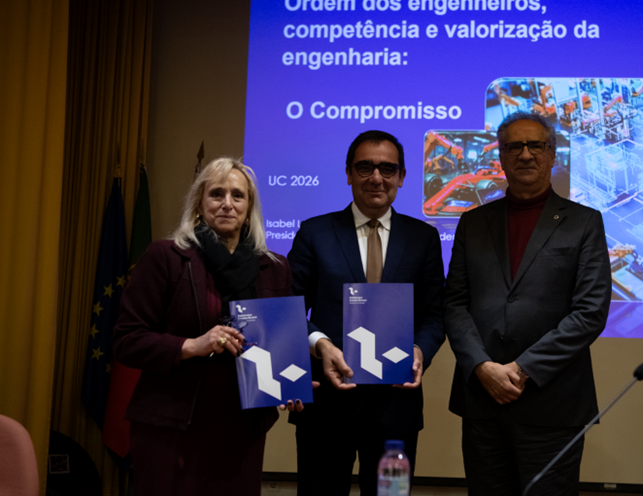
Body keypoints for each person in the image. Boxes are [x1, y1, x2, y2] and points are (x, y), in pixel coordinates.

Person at [113, 157, 304, 495]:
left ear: (250, 207)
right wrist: (192, 345)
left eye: (237, 195)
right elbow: (127, 340)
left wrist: (289, 384)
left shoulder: (274, 267)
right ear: (199, 204)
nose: (227, 203)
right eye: (217, 194)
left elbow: (279, 342)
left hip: (241, 431)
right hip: (172, 427)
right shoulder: (166, 258)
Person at [444, 112, 612, 496]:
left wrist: (522, 370)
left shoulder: (585, 222)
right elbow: (454, 303)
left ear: (552, 155)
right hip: (482, 401)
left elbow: (590, 312)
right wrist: (482, 366)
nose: (525, 154)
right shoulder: (473, 222)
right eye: (514, 147)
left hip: (552, 403)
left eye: (536, 145)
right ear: (501, 157)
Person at [287, 130, 445, 496]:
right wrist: (320, 344)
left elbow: (435, 314)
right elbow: (290, 306)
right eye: (365, 167)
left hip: (396, 410)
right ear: (348, 173)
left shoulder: (423, 238)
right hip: (327, 407)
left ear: (401, 177)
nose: (377, 177)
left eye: (388, 169)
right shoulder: (315, 232)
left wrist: (419, 350)